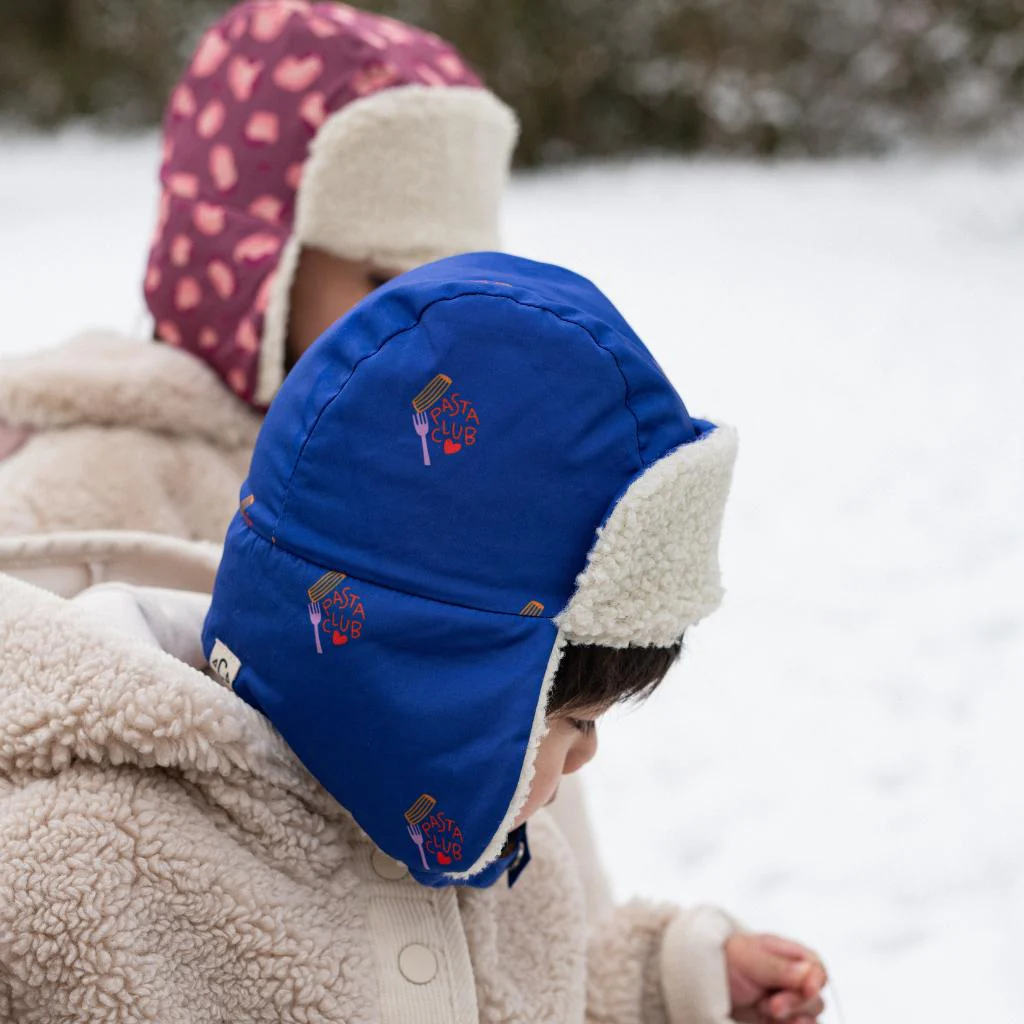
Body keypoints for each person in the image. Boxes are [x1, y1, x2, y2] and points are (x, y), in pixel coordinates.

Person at [0, 252, 828, 1022]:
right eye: (568, 715)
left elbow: (525, 989)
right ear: (427, 680)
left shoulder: (496, 857)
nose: (585, 757)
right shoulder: (76, 877)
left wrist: (667, 981)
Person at [0, 0, 518, 538]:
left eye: (454, 295)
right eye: (383, 282)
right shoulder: (100, 478)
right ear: (259, 268)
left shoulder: (412, 471)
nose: (427, 330)